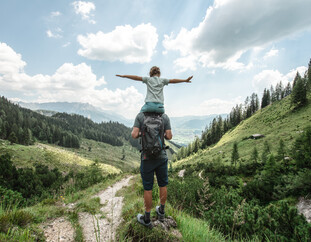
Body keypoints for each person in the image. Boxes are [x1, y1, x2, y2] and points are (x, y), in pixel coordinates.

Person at [131, 111, 172, 228]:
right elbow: (169, 136)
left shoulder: (140, 116)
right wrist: (159, 134)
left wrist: (143, 133)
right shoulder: (164, 116)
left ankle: (147, 219)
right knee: (162, 185)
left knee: (148, 188)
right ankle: (162, 212)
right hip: (161, 156)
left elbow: (134, 135)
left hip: (146, 158)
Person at [116, 66, 192, 113]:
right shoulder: (163, 80)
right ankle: (166, 134)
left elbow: (136, 77)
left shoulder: (148, 79)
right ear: (159, 74)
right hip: (160, 107)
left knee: (139, 117)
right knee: (164, 120)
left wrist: (124, 76)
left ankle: (137, 131)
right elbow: (173, 80)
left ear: (150, 73)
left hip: (149, 106)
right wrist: (185, 80)